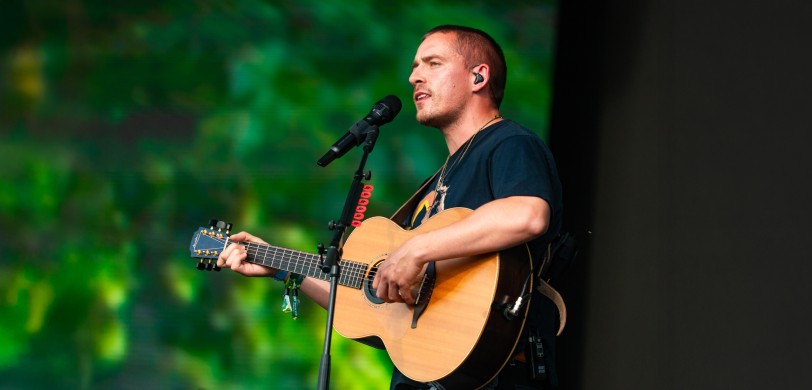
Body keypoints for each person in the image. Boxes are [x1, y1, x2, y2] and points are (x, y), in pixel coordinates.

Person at [217, 25, 563, 389]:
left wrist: (415, 250)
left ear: (479, 76)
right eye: (415, 67)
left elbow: (528, 214)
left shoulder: (509, 143)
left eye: (432, 63)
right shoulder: (434, 185)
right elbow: (370, 307)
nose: (415, 77)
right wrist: (280, 266)